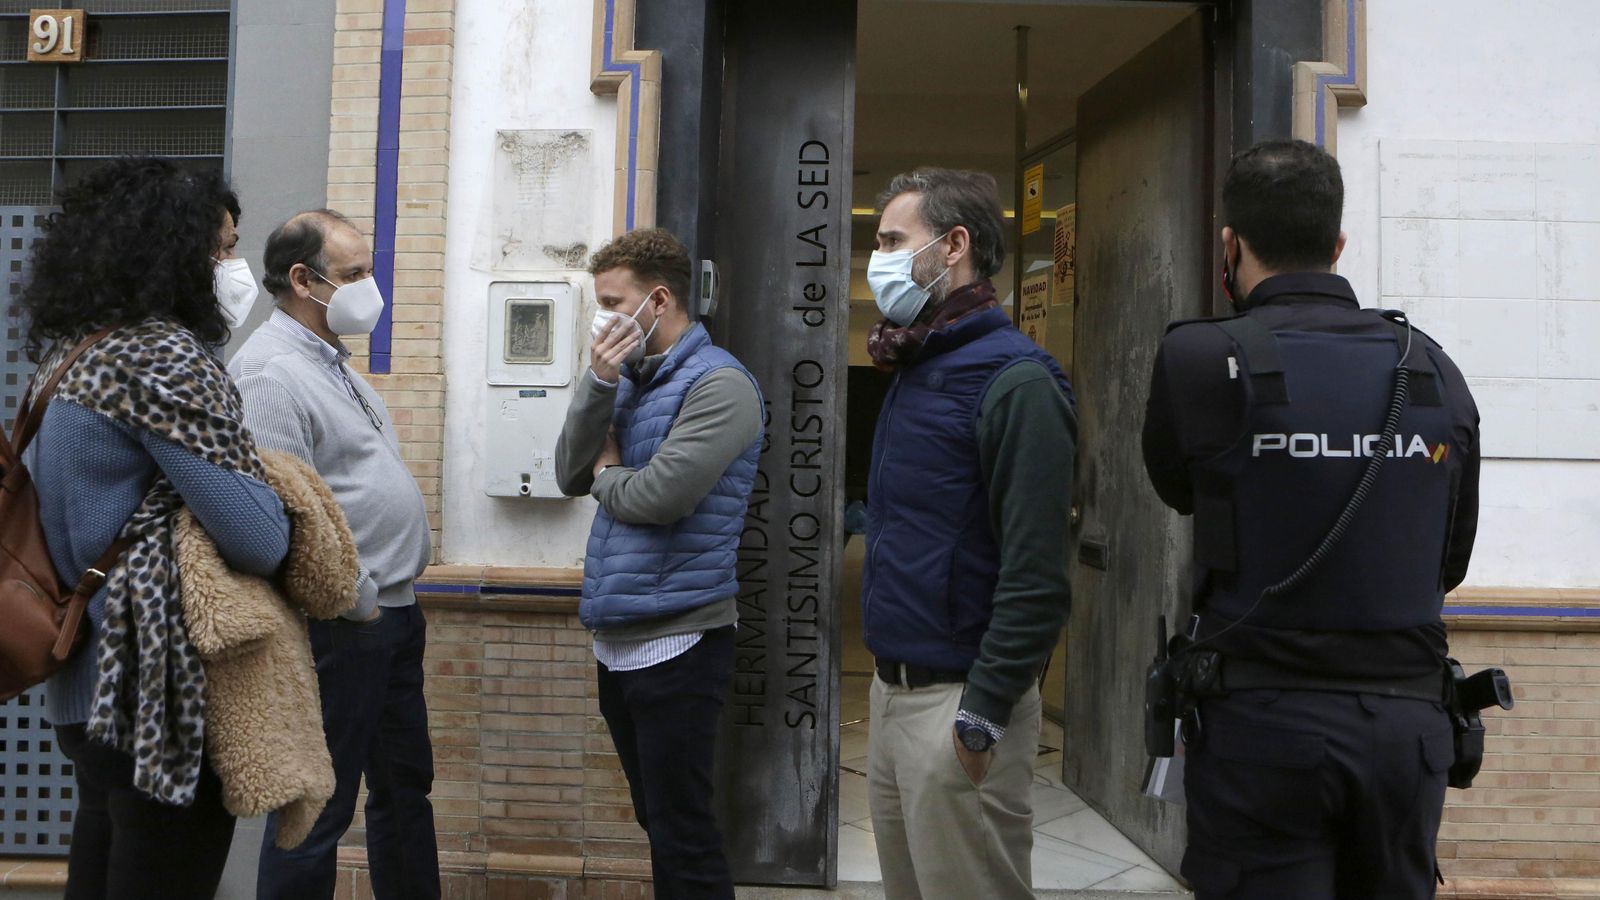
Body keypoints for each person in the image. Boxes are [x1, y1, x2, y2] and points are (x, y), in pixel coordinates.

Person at [1141, 140, 1481, 899]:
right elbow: (1448, 562)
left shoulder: (1200, 359)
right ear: (1338, 244)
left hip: (1263, 731)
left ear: (1229, 246)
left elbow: (1176, 488)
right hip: (1407, 735)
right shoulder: (1429, 368)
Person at [21, 157, 290, 898]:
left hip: (90, 692)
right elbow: (258, 536)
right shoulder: (162, 357)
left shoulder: (73, 353)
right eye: (223, 246)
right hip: (160, 693)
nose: (234, 266)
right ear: (175, 252)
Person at [859, 168, 1076, 899]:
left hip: (959, 705)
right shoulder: (917, 366)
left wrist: (982, 711)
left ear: (953, 246)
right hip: (895, 694)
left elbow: (1038, 572)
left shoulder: (1016, 382)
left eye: (893, 240)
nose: (879, 256)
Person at [229, 210, 438, 900]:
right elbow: (274, 521)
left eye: (367, 271)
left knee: (405, 793)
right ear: (301, 280)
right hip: (341, 626)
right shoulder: (269, 373)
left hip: (394, 615)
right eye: (353, 275)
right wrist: (356, 600)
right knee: (317, 809)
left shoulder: (332, 365)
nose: (368, 289)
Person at [554, 227, 762, 899]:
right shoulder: (630, 378)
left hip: (680, 640)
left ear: (660, 299)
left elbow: (661, 496)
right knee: (658, 820)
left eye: (614, 301)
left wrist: (610, 471)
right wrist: (596, 382)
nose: (603, 317)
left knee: (683, 829)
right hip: (619, 639)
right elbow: (565, 472)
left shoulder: (720, 385)